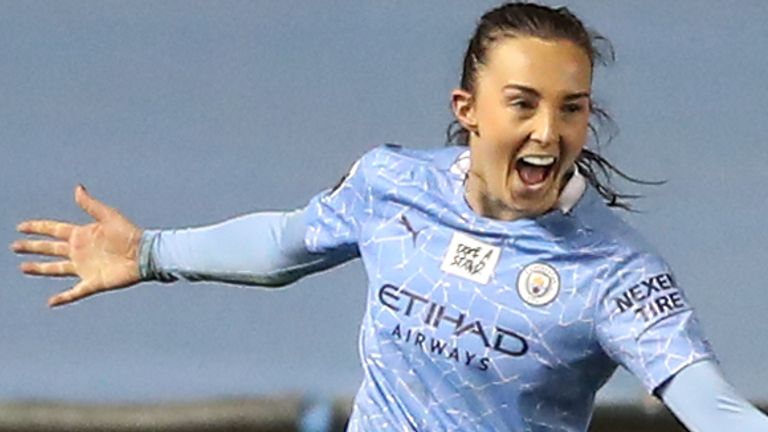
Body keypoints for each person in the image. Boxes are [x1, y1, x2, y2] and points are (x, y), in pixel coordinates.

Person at [11, 2, 768, 431]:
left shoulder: (615, 275)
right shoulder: (392, 186)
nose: (548, 130)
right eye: (524, 104)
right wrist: (149, 253)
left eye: (571, 109)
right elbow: (285, 244)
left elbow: (715, 409)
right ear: (466, 112)